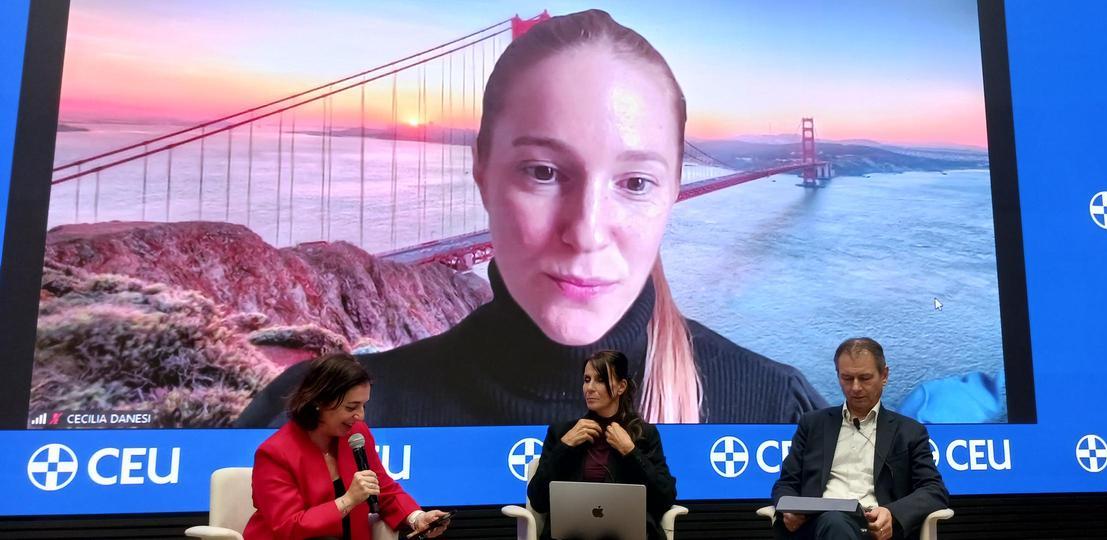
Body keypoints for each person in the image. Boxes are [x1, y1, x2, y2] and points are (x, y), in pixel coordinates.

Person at [237, 9, 825, 428]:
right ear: (483, 170)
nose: (587, 231)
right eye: (543, 173)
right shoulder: (313, 422)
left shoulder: (777, 415)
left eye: (636, 182)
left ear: (672, 192)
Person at [242, 354, 451, 540]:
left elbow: (384, 490)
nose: (361, 415)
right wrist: (348, 500)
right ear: (320, 402)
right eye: (351, 407)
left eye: (363, 405)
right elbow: (288, 527)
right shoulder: (274, 453)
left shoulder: (357, 434)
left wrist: (417, 518)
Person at [770, 338, 948, 540]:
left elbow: (934, 490)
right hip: (820, 526)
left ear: (884, 375)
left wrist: (893, 513)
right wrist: (789, 508)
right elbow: (786, 483)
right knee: (834, 522)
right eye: (847, 378)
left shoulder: (909, 431)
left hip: (877, 529)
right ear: (838, 376)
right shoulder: (812, 425)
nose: (855, 387)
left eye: (864, 378)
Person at [527, 350, 676, 540]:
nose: (589, 387)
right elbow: (538, 500)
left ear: (621, 386)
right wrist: (565, 447)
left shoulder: (644, 434)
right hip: (572, 535)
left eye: (600, 380)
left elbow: (665, 497)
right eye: (587, 379)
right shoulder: (562, 433)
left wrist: (631, 452)